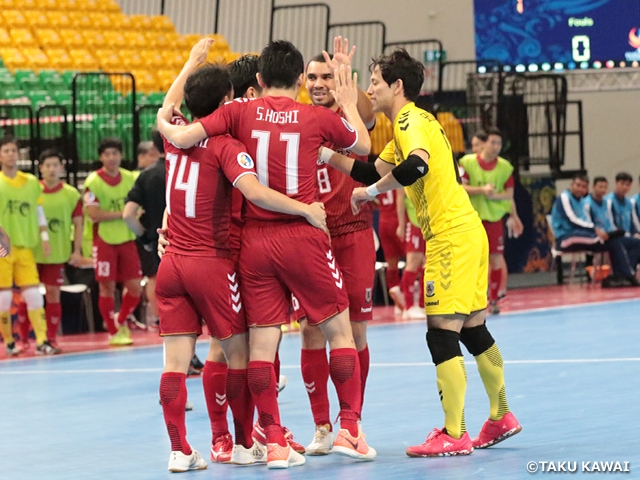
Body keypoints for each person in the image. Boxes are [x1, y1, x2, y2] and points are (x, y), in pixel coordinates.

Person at [158, 40, 376, 467]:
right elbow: (363, 148)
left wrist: (166, 120)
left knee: (255, 348)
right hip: (290, 236)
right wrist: (347, 102)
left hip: (247, 243)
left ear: (257, 83)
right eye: (309, 77)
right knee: (338, 332)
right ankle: (345, 428)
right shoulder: (307, 119)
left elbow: (178, 129)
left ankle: (265, 439)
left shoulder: (236, 116)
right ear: (298, 80)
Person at [325, 48, 521, 456]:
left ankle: (454, 433)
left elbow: (416, 166)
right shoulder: (408, 125)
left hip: (451, 236)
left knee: (440, 334)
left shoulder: (411, 119)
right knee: (473, 329)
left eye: (375, 81)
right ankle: (501, 415)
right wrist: (326, 155)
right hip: (465, 232)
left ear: (397, 86)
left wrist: (369, 195)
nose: (370, 89)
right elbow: (370, 169)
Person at [299, 39, 377, 455]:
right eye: (311, 77)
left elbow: (366, 112)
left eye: (326, 76)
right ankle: (321, 427)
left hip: (353, 232)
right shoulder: (296, 120)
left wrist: (347, 77)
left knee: (356, 333)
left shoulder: (350, 117)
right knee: (311, 332)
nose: (318, 84)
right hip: (312, 237)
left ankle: (354, 422)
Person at [0, 136, 59, 355]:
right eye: (6, 150)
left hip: (25, 245)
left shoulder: (31, 183)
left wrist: (44, 238)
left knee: (34, 294)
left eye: (13, 150)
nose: (11, 154)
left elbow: (38, 210)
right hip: (3, 247)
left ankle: (42, 341)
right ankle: (8, 342)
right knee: (3, 296)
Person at [83, 138, 142, 346]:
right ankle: (112, 329)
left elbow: (140, 208)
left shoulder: (130, 178)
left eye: (115, 153)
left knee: (135, 288)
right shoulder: (93, 181)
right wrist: (125, 213)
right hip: (104, 240)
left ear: (121, 156)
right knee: (106, 288)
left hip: (127, 238)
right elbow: (94, 214)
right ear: (100, 157)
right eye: (106, 154)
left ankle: (121, 319)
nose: (111, 158)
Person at [459, 127, 523, 314]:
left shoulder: (505, 167)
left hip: (493, 220)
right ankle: (469, 299)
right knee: (470, 260)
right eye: (493, 142)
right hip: (471, 219)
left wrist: (501, 202)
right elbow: (459, 187)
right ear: (484, 143)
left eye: (499, 143)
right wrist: (482, 191)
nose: (496, 147)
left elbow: (509, 194)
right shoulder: (467, 162)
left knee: (495, 259)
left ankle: (493, 299)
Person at [33, 149, 83, 346]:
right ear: (41, 169)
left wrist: (77, 250)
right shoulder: (32, 190)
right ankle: (26, 339)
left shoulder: (71, 194)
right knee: (29, 295)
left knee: (53, 294)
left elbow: (78, 224)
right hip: (32, 250)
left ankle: (50, 338)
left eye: (56, 165)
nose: (52, 169)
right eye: (48, 166)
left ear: (62, 167)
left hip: (58, 252)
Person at [551, 174, 638, 287]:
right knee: (601, 239)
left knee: (620, 242)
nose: (580, 189)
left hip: (584, 235)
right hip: (565, 237)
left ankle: (621, 276)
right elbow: (572, 219)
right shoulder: (564, 197)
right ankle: (629, 276)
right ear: (572, 184)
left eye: (583, 187)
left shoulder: (582, 201)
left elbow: (586, 221)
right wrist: (595, 230)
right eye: (578, 185)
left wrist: (605, 233)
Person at [123, 136, 165, 328]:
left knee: (156, 278)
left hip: (160, 243)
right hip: (195, 242)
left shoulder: (147, 176)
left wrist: (145, 238)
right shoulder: (193, 169)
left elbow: (128, 215)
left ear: (155, 147)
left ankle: (160, 321)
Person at [395, 187, 426, 319]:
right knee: (413, 262)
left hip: (430, 221)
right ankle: (408, 307)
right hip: (414, 221)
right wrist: (401, 225)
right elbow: (400, 199)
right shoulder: (404, 171)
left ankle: (423, 305)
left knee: (428, 264)